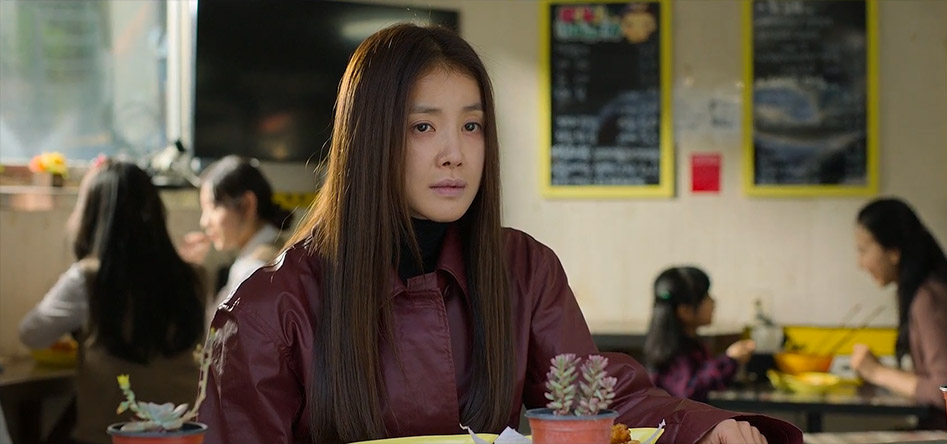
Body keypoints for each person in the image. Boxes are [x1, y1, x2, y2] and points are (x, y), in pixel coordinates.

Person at [200, 24, 801, 444]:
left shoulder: (523, 268)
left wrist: (703, 428)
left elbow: (590, 396)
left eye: (472, 126)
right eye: (422, 127)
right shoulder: (269, 309)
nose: (455, 153)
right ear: (369, 139)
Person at [18, 160, 205, 444]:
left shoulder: (89, 278)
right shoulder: (194, 276)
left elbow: (31, 334)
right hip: (186, 437)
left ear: (92, 216)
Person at [849, 197, 947, 429]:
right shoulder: (930, 292)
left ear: (893, 252)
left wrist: (876, 372)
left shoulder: (931, 299)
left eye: (863, 250)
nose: (861, 263)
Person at [178, 155, 292, 322]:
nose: (204, 222)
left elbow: (217, 332)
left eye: (213, 207)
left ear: (247, 204)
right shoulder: (277, 249)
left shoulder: (252, 270)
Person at [643, 267, 756, 402]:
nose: (713, 302)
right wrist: (729, 360)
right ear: (685, 311)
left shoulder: (678, 346)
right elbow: (690, 392)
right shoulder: (675, 354)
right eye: (706, 297)